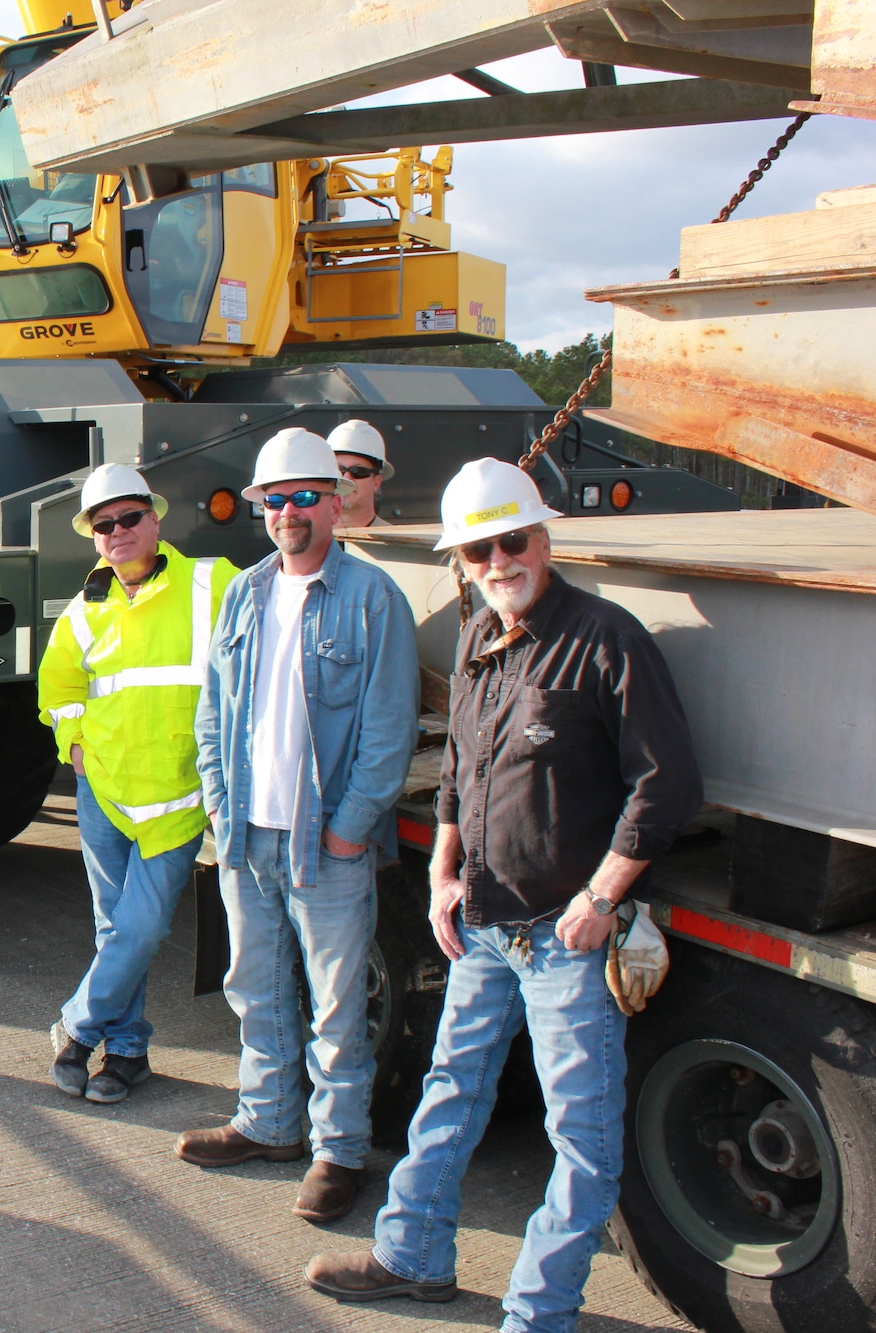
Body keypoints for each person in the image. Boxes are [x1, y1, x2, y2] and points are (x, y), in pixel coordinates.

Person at [307, 459, 702, 1327]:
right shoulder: (481, 634)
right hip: (484, 925)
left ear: (544, 538)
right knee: (449, 1090)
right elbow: (457, 768)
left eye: (510, 540)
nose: (497, 559)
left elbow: (664, 787)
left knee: (583, 1145)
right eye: (478, 549)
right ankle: (411, 1254)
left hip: (567, 940)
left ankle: (538, 1312)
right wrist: (445, 869)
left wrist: (601, 897)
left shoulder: (607, 640)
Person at [179, 426, 419, 1223]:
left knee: (337, 1005)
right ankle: (270, 1121)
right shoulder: (244, 593)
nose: (289, 512)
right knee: (254, 987)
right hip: (247, 834)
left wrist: (350, 829)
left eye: (304, 497)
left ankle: (338, 1149)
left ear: (335, 502)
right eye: (274, 499)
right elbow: (212, 713)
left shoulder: (372, 597)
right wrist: (220, 805)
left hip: (328, 844)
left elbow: (388, 730)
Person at [39, 463, 240, 1105]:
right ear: (93, 537)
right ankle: (127, 1055)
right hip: (103, 791)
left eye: (129, 517)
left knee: (143, 927)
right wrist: (70, 740)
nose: (118, 531)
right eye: (105, 524)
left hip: (178, 799)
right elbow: (59, 684)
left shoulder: (214, 583)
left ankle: (76, 1028)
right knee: (114, 926)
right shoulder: (86, 606)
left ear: (155, 518)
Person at [329, 419, 393, 529]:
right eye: (339, 469)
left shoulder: (396, 543)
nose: (346, 478)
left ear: (377, 482)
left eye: (358, 471)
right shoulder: (306, 541)